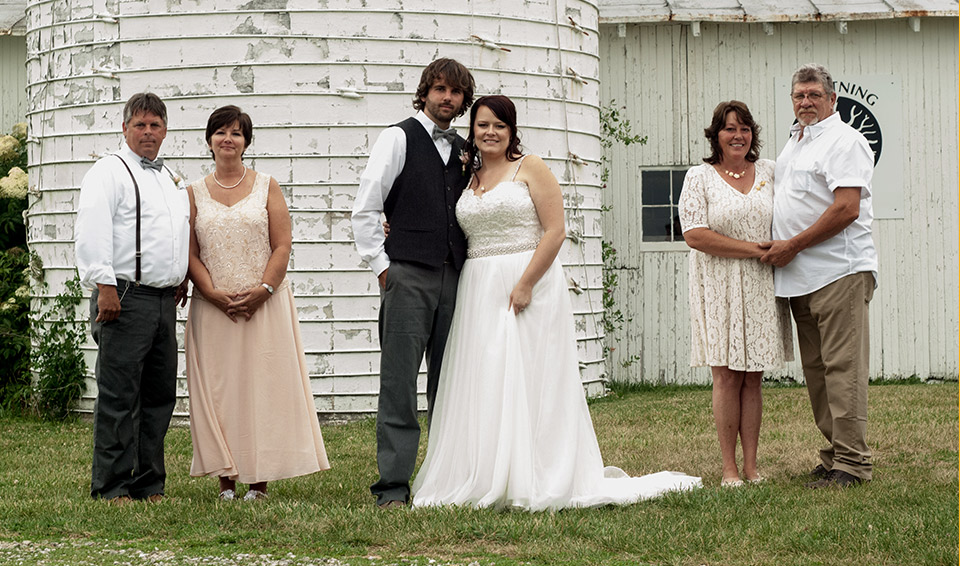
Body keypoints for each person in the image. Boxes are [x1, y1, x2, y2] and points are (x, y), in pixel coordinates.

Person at [410, 95, 701, 510]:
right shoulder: (466, 177)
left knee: (530, 378)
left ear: (511, 130)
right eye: (482, 125)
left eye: (499, 125)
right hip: (477, 285)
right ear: (471, 131)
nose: (490, 132)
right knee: (485, 377)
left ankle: (536, 474)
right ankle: (487, 471)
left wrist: (526, 283)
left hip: (529, 282)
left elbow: (555, 231)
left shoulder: (530, 167)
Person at [184, 105, 329, 501]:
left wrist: (263, 290)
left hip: (263, 305)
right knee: (220, 392)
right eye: (220, 132)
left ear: (247, 142)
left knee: (262, 390)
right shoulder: (193, 193)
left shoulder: (267, 185)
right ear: (209, 139)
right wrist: (212, 294)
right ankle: (226, 480)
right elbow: (191, 253)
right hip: (213, 309)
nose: (227, 139)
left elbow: (282, 244)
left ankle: (259, 481)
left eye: (236, 132)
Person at [351, 58, 476, 508]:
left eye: (456, 92)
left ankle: (445, 480)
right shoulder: (398, 137)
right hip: (406, 274)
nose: (447, 98)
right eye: (439, 89)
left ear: (464, 100)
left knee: (451, 383)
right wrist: (383, 269)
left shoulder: (467, 148)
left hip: (455, 277)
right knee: (399, 385)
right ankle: (393, 487)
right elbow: (366, 208)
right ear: (424, 92)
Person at [761, 63, 878, 489]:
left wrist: (792, 245)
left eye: (813, 95)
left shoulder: (845, 141)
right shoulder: (796, 141)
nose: (805, 102)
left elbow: (846, 208)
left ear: (832, 99)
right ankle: (835, 455)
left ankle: (853, 464)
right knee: (817, 371)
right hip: (800, 277)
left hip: (838, 271)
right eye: (798, 96)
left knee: (842, 369)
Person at [75, 93, 189, 503]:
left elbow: (174, 232)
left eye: (155, 125)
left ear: (165, 130)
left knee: (159, 397)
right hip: (123, 295)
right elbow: (92, 228)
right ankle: (112, 485)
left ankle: (149, 483)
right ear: (125, 129)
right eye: (139, 125)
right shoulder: (109, 171)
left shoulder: (169, 177)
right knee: (120, 395)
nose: (147, 132)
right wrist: (104, 284)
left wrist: (180, 275)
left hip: (163, 301)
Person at [677, 101, 793, 487]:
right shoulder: (700, 177)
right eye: (729, 129)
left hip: (761, 286)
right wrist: (755, 250)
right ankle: (729, 468)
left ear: (752, 135)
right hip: (718, 283)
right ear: (716, 135)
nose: (738, 136)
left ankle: (752, 466)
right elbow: (695, 234)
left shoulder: (771, 172)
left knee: (753, 378)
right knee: (726, 376)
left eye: (744, 129)